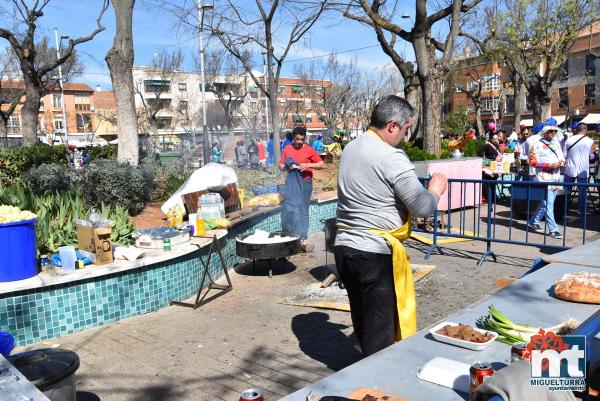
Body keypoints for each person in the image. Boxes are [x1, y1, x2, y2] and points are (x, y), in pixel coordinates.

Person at [334, 95, 448, 357]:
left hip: (345, 248)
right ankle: (375, 390)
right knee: (380, 335)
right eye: (406, 130)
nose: (406, 137)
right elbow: (422, 206)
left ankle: (365, 375)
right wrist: (435, 191)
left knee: (364, 323)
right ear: (392, 126)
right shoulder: (390, 156)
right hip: (373, 255)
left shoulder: (351, 148)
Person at [279, 126, 324, 250]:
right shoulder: (287, 148)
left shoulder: (309, 150)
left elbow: (321, 164)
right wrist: (287, 167)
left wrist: (307, 165)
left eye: (302, 139)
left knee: (303, 209)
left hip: (305, 183)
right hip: (292, 183)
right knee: (291, 209)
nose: (299, 142)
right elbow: (281, 165)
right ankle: (292, 235)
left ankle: (304, 237)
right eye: (297, 139)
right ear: (293, 137)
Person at [528, 125, 565, 239]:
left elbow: (561, 157)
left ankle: (533, 221)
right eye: (550, 131)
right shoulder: (537, 145)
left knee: (546, 203)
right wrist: (548, 165)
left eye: (554, 131)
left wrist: (562, 162)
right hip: (543, 177)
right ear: (544, 132)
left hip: (555, 177)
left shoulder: (557, 143)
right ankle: (553, 230)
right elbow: (532, 161)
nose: (553, 133)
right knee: (549, 204)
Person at [562, 123, 594, 214]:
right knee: (582, 191)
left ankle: (565, 209)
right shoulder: (590, 141)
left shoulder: (569, 140)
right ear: (585, 129)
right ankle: (582, 210)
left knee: (567, 191)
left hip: (569, 168)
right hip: (583, 169)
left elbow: (564, 155)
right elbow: (591, 156)